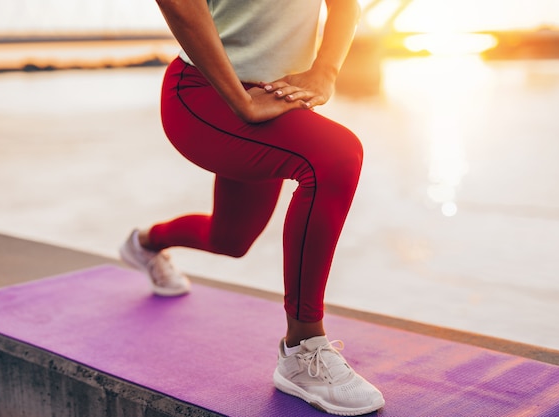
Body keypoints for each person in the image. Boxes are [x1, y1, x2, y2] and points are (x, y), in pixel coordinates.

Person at [119, 0, 385, 414]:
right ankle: (302, 350)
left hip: (272, 98)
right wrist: (241, 103)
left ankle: (146, 243)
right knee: (335, 157)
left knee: (230, 239)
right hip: (205, 96)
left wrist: (324, 72)